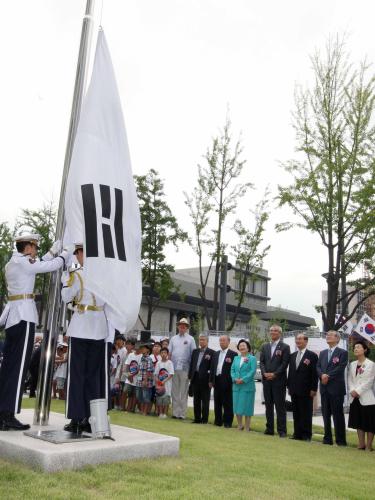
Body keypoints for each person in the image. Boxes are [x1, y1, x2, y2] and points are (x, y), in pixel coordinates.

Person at [0, 233, 71, 431]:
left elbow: (37, 264)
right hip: (24, 316)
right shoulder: (23, 263)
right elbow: (46, 266)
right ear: (29, 247)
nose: (36, 250)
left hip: (14, 317)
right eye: (35, 246)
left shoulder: (15, 262)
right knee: (18, 368)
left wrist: (51, 252)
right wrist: (65, 254)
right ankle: (8, 414)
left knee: (9, 367)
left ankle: (2, 412)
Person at [61, 243, 108, 434]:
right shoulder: (105, 276)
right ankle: (91, 419)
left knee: (77, 376)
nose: (77, 256)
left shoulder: (77, 275)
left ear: (82, 254)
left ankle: (76, 418)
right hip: (99, 328)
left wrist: (66, 280)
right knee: (92, 377)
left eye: (78, 253)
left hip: (81, 328)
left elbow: (66, 297)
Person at [317, 330, 347, 446]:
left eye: (330, 335)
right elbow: (318, 366)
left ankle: (340, 440)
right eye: (327, 335)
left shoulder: (342, 353)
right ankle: (327, 438)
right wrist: (321, 375)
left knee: (338, 415)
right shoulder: (323, 353)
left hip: (336, 389)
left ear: (337, 339)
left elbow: (340, 367)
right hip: (324, 388)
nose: (328, 336)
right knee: (325, 414)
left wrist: (328, 376)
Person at [260, 324, 290, 437]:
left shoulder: (285, 347)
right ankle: (269, 429)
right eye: (271, 330)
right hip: (267, 381)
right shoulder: (264, 346)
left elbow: (284, 364)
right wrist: (264, 373)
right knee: (268, 405)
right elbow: (262, 361)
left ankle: (282, 431)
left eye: (275, 331)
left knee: (280, 407)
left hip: (279, 381)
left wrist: (274, 374)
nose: (272, 332)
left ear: (280, 333)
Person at [287, 333, 318, 441]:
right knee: (296, 413)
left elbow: (314, 373)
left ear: (306, 341)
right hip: (294, 389)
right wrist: (289, 386)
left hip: (307, 390)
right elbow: (291, 372)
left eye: (300, 339)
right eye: (297, 339)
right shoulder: (293, 355)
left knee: (306, 413)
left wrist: (314, 388)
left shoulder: (312, 356)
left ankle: (306, 435)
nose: (298, 341)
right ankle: (297, 434)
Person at [348, 340, 375, 451]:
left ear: (364, 349)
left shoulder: (370, 364)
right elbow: (350, 380)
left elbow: (369, 380)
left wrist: (358, 391)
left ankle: (369, 445)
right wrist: (352, 391)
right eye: (354, 347)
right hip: (354, 397)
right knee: (358, 422)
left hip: (367, 397)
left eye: (358, 347)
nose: (355, 349)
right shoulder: (352, 364)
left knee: (369, 423)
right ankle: (361, 444)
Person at [169, 318, 195, 419]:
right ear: (178, 326)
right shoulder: (173, 339)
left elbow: (193, 355)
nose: (182, 327)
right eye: (180, 325)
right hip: (174, 368)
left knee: (183, 392)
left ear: (187, 327)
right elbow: (169, 353)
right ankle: (175, 413)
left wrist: (191, 371)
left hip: (185, 368)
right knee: (174, 391)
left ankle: (182, 414)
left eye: (184, 325)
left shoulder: (191, 339)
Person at [210, 335, 237, 428]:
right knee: (217, 402)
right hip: (216, 380)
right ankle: (218, 421)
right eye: (220, 340)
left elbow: (234, 369)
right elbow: (212, 368)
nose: (221, 342)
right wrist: (211, 380)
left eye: (224, 340)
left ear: (228, 342)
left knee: (227, 403)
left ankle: (227, 422)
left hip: (227, 381)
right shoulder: (216, 353)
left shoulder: (233, 354)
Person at [230, 339, 257, 432]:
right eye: (240, 346)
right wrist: (234, 379)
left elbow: (252, 371)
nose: (241, 347)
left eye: (243, 345)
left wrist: (243, 379)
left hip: (247, 386)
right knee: (237, 406)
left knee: (247, 406)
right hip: (236, 385)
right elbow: (232, 370)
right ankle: (240, 425)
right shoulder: (236, 358)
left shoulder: (252, 358)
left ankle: (247, 426)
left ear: (248, 347)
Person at [188, 333, 214, 424]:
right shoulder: (195, 351)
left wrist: (211, 380)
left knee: (205, 401)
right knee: (196, 400)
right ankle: (197, 419)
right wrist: (190, 377)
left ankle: (204, 419)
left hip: (205, 380)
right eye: (200, 340)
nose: (201, 341)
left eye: (203, 340)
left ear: (207, 341)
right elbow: (192, 365)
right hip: (195, 378)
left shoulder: (212, 352)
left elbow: (212, 368)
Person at [114, 338, 136, 410]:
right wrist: (118, 377)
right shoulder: (124, 353)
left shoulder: (133, 354)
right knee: (122, 392)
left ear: (133, 346)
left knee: (129, 393)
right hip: (123, 376)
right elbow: (120, 365)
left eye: (129, 344)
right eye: (127, 344)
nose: (127, 346)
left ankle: (129, 408)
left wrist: (129, 375)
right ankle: (121, 406)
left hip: (131, 376)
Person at [154, 347, 174, 418]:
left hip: (167, 385)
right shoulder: (158, 363)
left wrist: (164, 381)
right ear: (160, 354)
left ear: (167, 354)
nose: (163, 354)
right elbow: (156, 374)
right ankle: (160, 413)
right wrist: (158, 382)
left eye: (165, 353)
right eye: (162, 353)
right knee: (159, 399)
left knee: (166, 400)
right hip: (160, 385)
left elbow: (171, 374)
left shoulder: (170, 363)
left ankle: (165, 413)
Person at [135, 343, 154, 416]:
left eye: (143, 348)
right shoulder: (142, 358)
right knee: (140, 396)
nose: (142, 349)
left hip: (146, 381)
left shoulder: (149, 359)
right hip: (140, 380)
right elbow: (139, 369)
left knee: (146, 396)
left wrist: (145, 380)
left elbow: (149, 371)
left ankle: (145, 412)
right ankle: (141, 410)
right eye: (141, 348)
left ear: (148, 350)